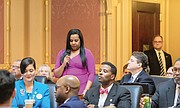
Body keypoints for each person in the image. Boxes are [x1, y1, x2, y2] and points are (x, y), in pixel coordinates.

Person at [54, 29, 96, 95]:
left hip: (81, 87)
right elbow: (56, 74)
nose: (73, 43)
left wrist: (86, 90)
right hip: (65, 88)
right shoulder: (62, 53)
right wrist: (63, 64)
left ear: (80, 41)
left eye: (76, 40)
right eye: (71, 41)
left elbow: (92, 73)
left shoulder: (87, 53)